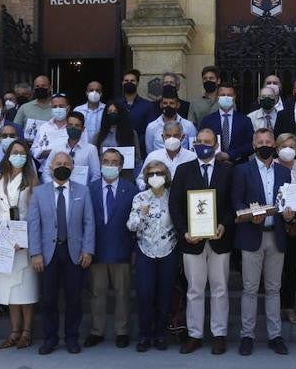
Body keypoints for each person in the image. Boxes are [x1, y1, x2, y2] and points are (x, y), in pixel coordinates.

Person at [171, 128, 234, 355]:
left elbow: (232, 204)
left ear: (216, 144)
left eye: (207, 141)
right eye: (198, 141)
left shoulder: (227, 171)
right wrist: (184, 231)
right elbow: (175, 206)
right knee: (194, 290)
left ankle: (219, 335)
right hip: (192, 240)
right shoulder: (183, 170)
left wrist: (224, 224)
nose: (202, 145)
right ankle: (194, 334)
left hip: (220, 239)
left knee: (220, 288)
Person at [232, 128, 293, 356]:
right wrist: (249, 214)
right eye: (260, 142)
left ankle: (275, 335)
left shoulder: (283, 172)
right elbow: (236, 201)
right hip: (251, 234)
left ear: (274, 145)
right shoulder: (242, 171)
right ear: (254, 144)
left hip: (276, 235)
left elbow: (289, 202)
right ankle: (247, 335)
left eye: (268, 141)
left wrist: (290, 214)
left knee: (273, 289)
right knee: (249, 289)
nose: (264, 145)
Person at [28, 151, 96, 355]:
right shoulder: (39, 192)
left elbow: (89, 222)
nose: (62, 166)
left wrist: (88, 249)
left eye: (66, 163)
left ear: (73, 167)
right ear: (50, 166)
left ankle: (72, 338)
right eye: (58, 163)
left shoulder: (82, 191)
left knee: (74, 299)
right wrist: (36, 253)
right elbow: (33, 224)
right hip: (48, 253)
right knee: (48, 298)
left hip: (74, 252)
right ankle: (50, 339)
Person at [0, 139, 39, 350]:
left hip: (23, 235)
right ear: (8, 155)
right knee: (9, 288)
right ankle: (14, 331)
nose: (18, 156)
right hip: (2, 234)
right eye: (14, 152)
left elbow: (35, 212)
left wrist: (27, 239)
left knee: (25, 287)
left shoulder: (32, 178)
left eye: (22, 152)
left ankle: (27, 332)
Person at [86, 148, 137, 348]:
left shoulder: (131, 189)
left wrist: (133, 250)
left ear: (121, 166)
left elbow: (135, 222)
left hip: (122, 248)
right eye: (106, 161)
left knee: (122, 293)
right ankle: (96, 331)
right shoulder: (89, 189)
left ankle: (122, 331)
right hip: (96, 249)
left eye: (114, 162)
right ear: (100, 163)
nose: (110, 165)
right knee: (97, 293)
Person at [128, 159, 179, 351]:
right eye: (151, 174)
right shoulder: (140, 198)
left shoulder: (173, 197)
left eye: (159, 173)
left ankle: (160, 334)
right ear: (146, 177)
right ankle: (144, 335)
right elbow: (131, 226)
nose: (155, 177)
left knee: (164, 295)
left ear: (166, 176)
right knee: (145, 294)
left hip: (169, 250)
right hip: (145, 251)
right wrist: (141, 214)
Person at [273, 133, 296, 325]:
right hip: (276, 225)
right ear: (277, 148)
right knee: (275, 270)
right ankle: (274, 308)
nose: (288, 150)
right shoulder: (271, 166)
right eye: (284, 146)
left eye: (292, 146)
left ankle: (289, 307)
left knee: (291, 269)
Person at [199, 83, 253, 164]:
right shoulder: (207, 120)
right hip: (215, 166)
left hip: (239, 166)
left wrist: (230, 155)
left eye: (229, 95)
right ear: (217, 97)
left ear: (234, 97)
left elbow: (251, 145)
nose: (226, 97)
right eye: (223, 95)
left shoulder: (245, 120)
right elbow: (201, 143)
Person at [137, 120, 197, 190]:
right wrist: (150, 186)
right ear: (163, 137)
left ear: (182, 137)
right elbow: (140, 180)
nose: (172, 139)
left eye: (176, 135)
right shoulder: (153, 156)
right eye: (168, 136)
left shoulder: (192, 157)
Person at [145, 90, 198, 154]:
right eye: (165, 103)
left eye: (171, 103)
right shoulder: (151, 127)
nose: (168, 106)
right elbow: (150, 151)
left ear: (178, 105)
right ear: (161, 105)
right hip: (159, 163)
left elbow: (193, 150)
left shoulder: (189, 126)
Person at [28, 94, 71, 169]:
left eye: (61, 106)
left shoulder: (75, 127)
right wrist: (42, 153)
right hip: (46, 170)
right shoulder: (44, 127)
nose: (58, 109)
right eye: (55, 107)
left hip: (68, 169)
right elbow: (33, 149)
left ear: (68, 108)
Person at [92, 101, 142, 166]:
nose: (112, 114)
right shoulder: (98, 136)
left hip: (126, 173)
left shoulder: (132, 133)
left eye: (115, 111)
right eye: (110, 112)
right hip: (104, 172)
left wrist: (128, 161)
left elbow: (138, 158)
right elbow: (94, 159)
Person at [116, 69, 156, 144]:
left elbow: (151, 129)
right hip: (118, 146)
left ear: (137, 83)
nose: (129, 83)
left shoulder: (148, 106)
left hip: (141, 148)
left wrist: (136, 141)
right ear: (122, 83)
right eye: (126, 80)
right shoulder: (116, 104)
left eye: (132, 81)